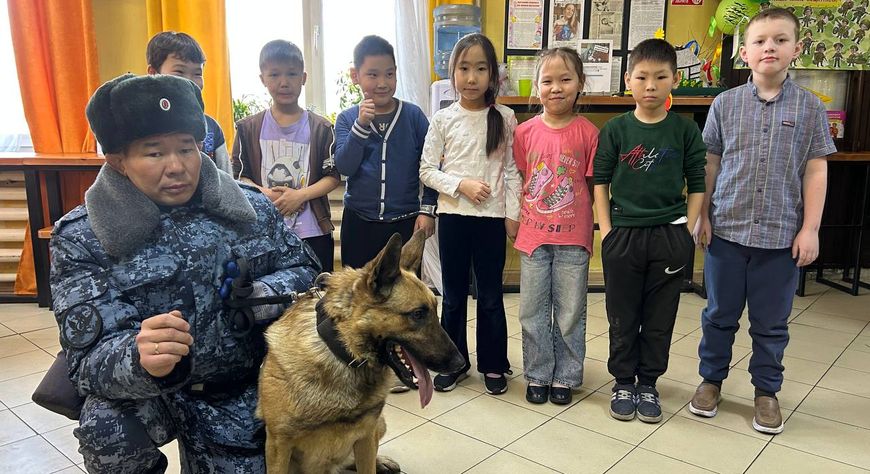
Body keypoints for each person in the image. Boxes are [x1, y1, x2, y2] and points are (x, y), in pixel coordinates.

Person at [51, 73, 320, 473]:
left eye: (187, 148)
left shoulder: (249, 210)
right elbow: (87, 362)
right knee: (106, 427)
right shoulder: (84, 237)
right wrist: (138, 357)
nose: (177, 166)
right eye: (154, 153)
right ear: (119, 161)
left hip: (239, 385)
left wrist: (261, 293)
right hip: (153, 394)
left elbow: (310, 276)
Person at [689, 8, 835, 435]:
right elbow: (709, 163)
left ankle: (766, 392)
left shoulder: (810, 108)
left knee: (771, 324)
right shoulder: (725, 104)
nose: (769, 47)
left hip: (781, 238)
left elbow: (816, 170)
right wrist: (702, 215)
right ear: (745, 53)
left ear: (796, 49)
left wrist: (810, 229)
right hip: (727, 232)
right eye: (759, 41)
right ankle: (711, 381)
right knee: (718, 315)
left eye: (780, 39)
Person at [593, 38, 706, 423]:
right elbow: (600, 182)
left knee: (660, 316)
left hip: (669, 237)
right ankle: (623, 380)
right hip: (623, 235)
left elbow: (698, 184)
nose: (651, 85)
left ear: (675, 79)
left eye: (660, 77)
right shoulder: (616, 129)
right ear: (629, 80)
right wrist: (607, 231)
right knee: (622, 314)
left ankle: (649, 383)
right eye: (642, 77)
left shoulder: (685, 130)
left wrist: (686, 231)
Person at [420, 33, 522, 396]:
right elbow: (427, 169)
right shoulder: (443, 119)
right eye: (464, 68)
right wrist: (461, 184)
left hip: (492, 220)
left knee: (492, 295)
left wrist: (513, 214)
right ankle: (454, 362)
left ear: (493, 75)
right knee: (453, 294)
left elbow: (512, 171)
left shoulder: (506, 118)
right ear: (453, 72)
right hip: (453, 218)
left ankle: (494, 365)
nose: (472, 77)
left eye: (481, 68)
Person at [513, 47, 598, 406]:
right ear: (537, 87)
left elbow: (593, 186)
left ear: (580, 84)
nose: (556, 88)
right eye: (547, 81)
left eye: (566, 79)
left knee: (570, 311)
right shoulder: (524, 132)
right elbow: (519, 177)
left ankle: (565, 374)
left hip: (574, 239)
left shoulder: (589, 133)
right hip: (533, 237)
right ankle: (537, 372)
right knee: (531, 310)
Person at [232, 39, 340, 271]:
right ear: (263, 79)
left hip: (313, 231)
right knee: (271, 298)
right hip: (265, 232)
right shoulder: (247, 127)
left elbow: (332, 176)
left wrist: (300, 196)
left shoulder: (322, 128)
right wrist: (269, 194)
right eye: (274, 75)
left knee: (317, 295)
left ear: (303, 77)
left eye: (292, 74)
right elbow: (240, 176)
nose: (284, 82)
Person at [334, 35, 438, 269]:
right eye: (373, 74)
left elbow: (431, 166)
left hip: (405, 224)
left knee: (402, 299)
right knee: (359, 297)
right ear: (355, 76)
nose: (382, 82)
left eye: (389, 74)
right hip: (359, 224)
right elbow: (345, 167)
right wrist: (360, 126)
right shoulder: (347, 119)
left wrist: (428, 210)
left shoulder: (414, 116)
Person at [146, 31, 231, 174]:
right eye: (179, 72)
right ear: (154, 73)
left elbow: (229, 180)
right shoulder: (140, 124)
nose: (190, 81)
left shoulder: (212, 127)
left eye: (197, 74)